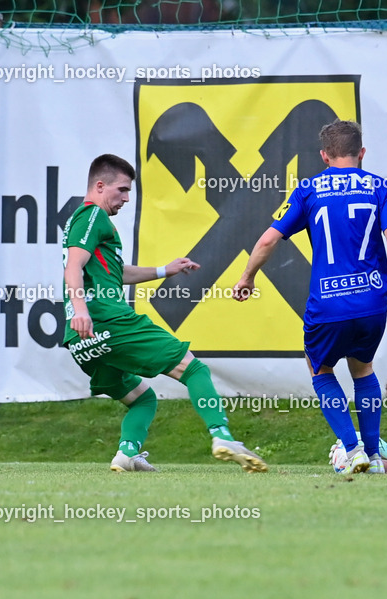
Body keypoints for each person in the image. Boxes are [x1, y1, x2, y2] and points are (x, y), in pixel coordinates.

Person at [232, 120, 387, 475]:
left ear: (324, 156)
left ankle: (352, 449)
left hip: (328, 301)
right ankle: (372, 453)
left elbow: (267, 240)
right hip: (372, 301)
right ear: (362, 153)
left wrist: (248, 277)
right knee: (363, 368)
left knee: (320, 368)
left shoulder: (308, 190)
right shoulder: (380, 187)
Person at [63, 154, 267, 473]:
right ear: (99, 186)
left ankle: (127, 454)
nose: (126, 198)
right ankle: (222, 435)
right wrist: (80, 309)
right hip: (106, 320)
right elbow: (72, 265)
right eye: (122, 190)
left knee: (143, 400)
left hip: (81, 341)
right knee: (194, 369)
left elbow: (116, 273)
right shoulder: (91, 216)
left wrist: (164, 270)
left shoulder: (89, 224)